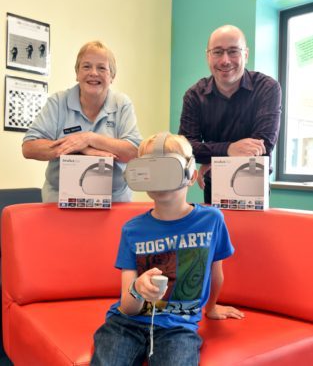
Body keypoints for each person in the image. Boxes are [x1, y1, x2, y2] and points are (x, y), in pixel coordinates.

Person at [91, 132, 244, 366]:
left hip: (178, 329)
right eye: (152, 171)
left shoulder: (212, 220)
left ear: (191, 176)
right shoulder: (132, 230)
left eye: (168, 170)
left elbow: (215, 273)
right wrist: (137, 290)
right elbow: (128, 306)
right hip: (125, 325)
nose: (160, 180)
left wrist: (211, 307)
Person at [22, 41, 142, 202]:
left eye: (101, 68)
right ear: (77, 73)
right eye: (86, 66)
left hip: (114, 200)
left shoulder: (122, 104)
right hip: (59, 199)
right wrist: (82, 150)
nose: (93, 73)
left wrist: (89, 138)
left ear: (112, 76)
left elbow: (134, 152)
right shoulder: (58, 102)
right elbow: (30, 147)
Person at [178, 25, 281, 204]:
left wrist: (212, 159)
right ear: (208, 56)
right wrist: (229, 150)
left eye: (233, 51)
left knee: (250, 233)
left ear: (246, 54)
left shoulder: (267, 88)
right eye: (217, 52)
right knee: (217, 232)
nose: (225, 60)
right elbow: (185, 149)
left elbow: (262, 146)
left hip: (253, 184)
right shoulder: (194, 95)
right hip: (212, 186)